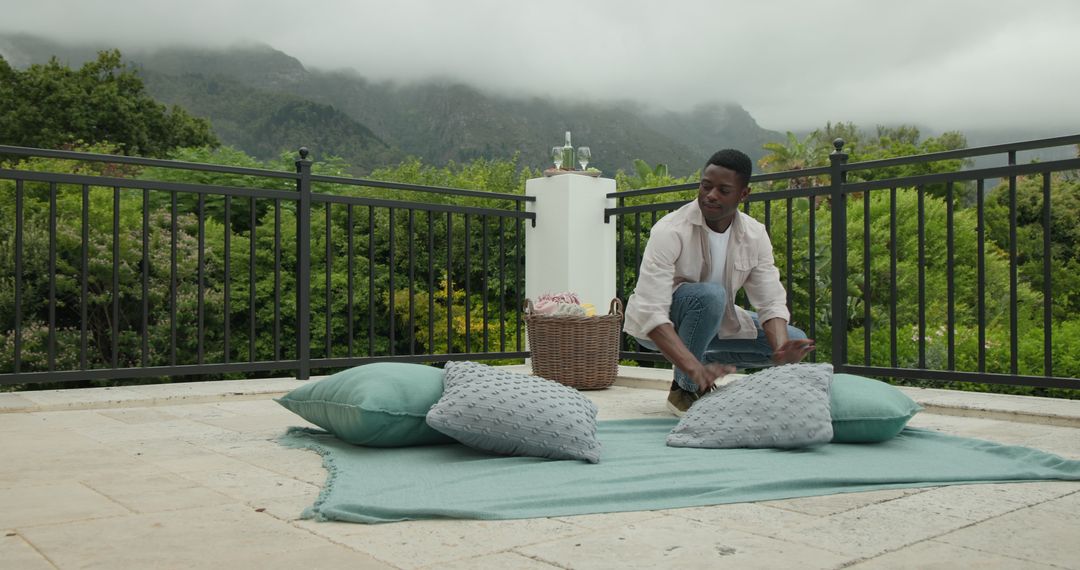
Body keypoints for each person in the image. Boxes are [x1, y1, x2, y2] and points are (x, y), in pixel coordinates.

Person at [623, 148, 815, 416]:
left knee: (794, 338)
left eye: (723, 190)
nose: (710, 195)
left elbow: (770, 301)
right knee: (711, 296)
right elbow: (650, 311)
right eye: (706, 186)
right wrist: (692, 370)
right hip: (661, 325)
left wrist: (782, 354)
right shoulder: (670, 230)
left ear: (743, 194)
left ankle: (700, 358)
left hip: (715, 321)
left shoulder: (754, 234)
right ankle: (685, 389)